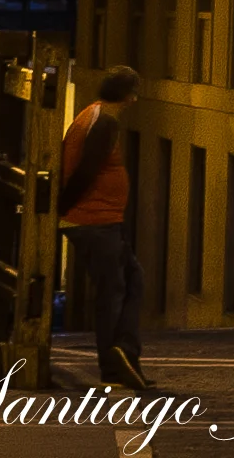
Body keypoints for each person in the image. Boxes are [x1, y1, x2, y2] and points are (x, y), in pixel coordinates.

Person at [56, 64, 149, 392]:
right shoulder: (105, 123)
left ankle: (124, 355)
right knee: (113, 291)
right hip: (94, 219)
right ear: (128, 96)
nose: (134, 101)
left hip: (100, 219)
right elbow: (86, 171)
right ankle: (114, 365)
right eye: (133, 94)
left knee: (131, 280)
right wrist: (62, 209)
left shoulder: (91, 113)